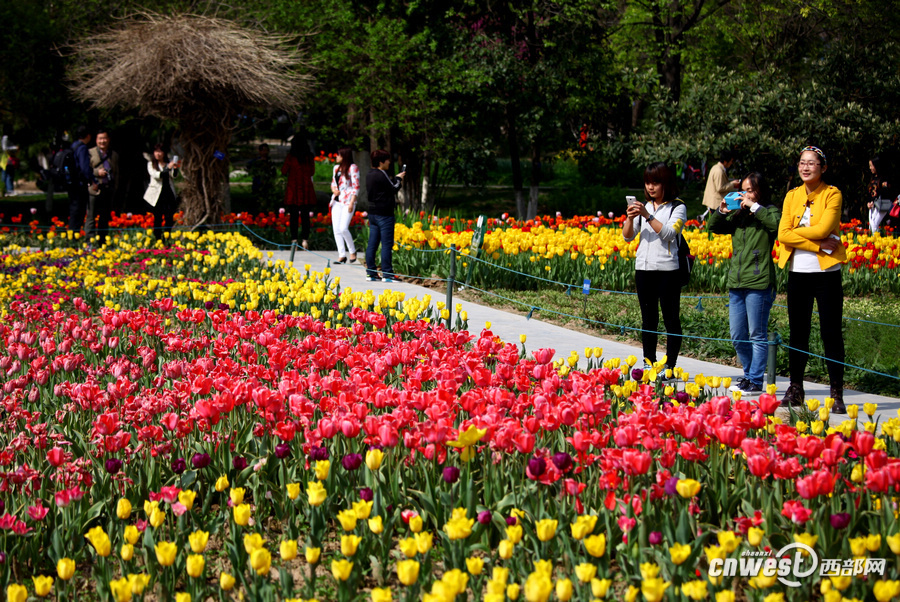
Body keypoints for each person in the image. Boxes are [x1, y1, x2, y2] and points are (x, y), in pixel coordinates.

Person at [777, 146, 848, 413]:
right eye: (802, 163)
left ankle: (836, 391)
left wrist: (799, 233)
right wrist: (818, 245)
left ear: (823, 167)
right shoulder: (792, 196)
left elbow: (824, 228)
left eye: (812, 164)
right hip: (798, 272)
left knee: (831, 333)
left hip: (826, 274)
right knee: (798, 333)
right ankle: (796, 388)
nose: (805, 168)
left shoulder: (833, 194)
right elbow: (783, 235)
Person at [708, 172, 781, 394]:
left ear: (760, 191)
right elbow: (713, 227)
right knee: (738, 335)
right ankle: (749, 375)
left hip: (759, 281)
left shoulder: (769, 211)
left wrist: (754, 207)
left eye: (749, 190)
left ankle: (756, 380)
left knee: (756, 334)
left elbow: (776, 225)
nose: (745, 195)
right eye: (743, 190)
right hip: (736, 282)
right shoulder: (740, 216)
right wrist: (722, 210)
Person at [622, 162, 687, 370]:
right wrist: (630, 219)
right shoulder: (646, 206)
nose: (651, 187)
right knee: (648, 320)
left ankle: (670, 366)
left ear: (666, 183)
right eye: (648, 183)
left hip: (668, 270)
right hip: (644, 269)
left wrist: (647, 217)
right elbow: (627, 237)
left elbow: (669, 234)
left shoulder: (678, 207)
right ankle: (648, 363)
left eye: (656, 183)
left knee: (670, 320)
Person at [365, 149, 406, 282]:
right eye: (387, 160)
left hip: (372, 212)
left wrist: (394, 180)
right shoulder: (382, 173)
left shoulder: (369, 174)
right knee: (386, 244)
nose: (389, 162)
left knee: (372, 243)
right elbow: (393, 189)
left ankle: (371, 272)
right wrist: (399, 179)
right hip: (385, 214)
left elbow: (385, 188)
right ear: (381, 162)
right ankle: (387, 273)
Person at [281, 137, 316, 249]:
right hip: (305, 189)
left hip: (294, 190)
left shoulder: (291, 157)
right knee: (306, 216)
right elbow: (312, 172)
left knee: (293, 217)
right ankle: (305, 240)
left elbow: (283, 171)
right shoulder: (309, 157)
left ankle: (294, 240)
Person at [87, 128, 119, 244]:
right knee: (91, 217)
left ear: (108, 140)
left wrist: (114, 187)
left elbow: (116, 172)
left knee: (104, 217)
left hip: (107, 188)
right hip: (94, 188)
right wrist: (97, 173)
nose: (102, 141)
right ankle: (89, 242)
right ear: (96, 140)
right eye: (100, 139)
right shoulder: (90, 153)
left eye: (104, 138)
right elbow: (86, 170)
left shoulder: (113, 154)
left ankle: (102, 241)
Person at [143, 144, 179, 243]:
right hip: (157, 195)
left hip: (168, 194)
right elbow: (157, 175)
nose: (158, 154)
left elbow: (174, 176)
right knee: (157, 218)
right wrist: (168, 167)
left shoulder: (168, 162)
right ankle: (158, 240)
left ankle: (166, 239)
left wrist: (175, 168)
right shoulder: (151, 164)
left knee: (169, 218)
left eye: (160, 152)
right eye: (156, 152)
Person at [329, 147, 359, 264]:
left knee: (343, 228)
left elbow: (356, 186)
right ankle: (341, 254)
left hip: (348, 201)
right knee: (336, 229)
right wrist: (334, 190)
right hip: (337, 201)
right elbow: (333, 182)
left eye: (338, 155)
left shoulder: (353, 168)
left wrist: (352, 202)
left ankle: (352, 251)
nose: (336, 157)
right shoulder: (336, 168)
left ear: (344, 156)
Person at [700, 150, 740, 221]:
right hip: (716, 204)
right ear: (725, 161)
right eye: (731, 161)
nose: (731, 163)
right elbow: (720, 188)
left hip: (714, 202)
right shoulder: (719, 171)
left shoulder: (716, 167)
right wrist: (732, 184)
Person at [68, 126, 94, 234]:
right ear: (88, 136)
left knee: (74, 210)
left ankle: (72, 235)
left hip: (71, 183)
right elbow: (84, 168)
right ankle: (74, 237)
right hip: (79, 184)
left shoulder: (73, 146)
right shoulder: (82, 148)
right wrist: (92, 181)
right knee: (78, 211)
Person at [866, 155, 894, 233]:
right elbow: (869, 192)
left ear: (876, 166)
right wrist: (869, 202)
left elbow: (886, 192)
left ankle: (877, 242)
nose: (870, 168)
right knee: (871, 226)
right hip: (872, 205)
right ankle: (873, 242)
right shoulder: (872, 178)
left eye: (871, 166)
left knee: (874, 225)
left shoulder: (884, 178)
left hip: (881, 205)